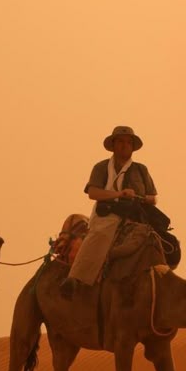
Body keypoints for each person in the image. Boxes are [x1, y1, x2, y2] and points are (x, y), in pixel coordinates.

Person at [62, 125, 158, 293]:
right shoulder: (101, 167)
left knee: (161, 241)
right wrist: (119, 194)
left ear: (133, 147)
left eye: (128, 142)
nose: (124, 145)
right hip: (108, 214)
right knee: (100, 234)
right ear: (113, 145)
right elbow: (93, 193)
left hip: (136, 217)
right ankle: (76, 277)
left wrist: (138, 197)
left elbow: (153, 198)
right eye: (120, 141)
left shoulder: (141, 170)